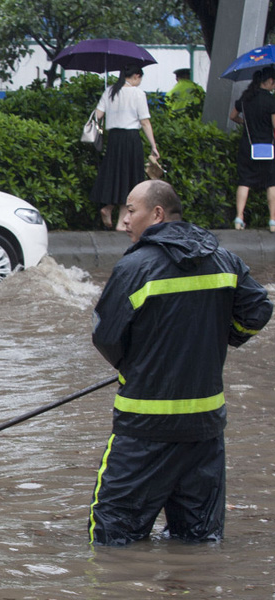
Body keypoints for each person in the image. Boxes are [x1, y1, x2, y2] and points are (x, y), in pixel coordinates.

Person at [88, 180, 272, 546]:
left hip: (143, 430)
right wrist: (226, 335)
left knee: (112, 541)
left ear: (157, 214)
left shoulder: (135, 267)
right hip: (204, 432)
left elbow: (106, 337)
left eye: (131, 210)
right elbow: (258, 309)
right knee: (199, 541)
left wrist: (138, 364)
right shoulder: (223, 258)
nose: (125, 220)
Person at [89, 64, 160, 232]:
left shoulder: (110, 91)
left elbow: (97, 115)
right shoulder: (138, 94)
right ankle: (121, 222)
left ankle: (108, 207)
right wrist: (153, 145)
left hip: (113, 139)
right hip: (131, 139)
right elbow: (144, 122)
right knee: (129, 179)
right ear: (136, 76)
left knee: (114, 175)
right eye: (140, 78)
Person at [229, 66, 275, 232]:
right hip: (268, 148)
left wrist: (245, 123)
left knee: (245, 181)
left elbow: (233, 116)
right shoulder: (271, 101)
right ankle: (272, 221)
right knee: (271, 183)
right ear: (269, 81)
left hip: (247, 146)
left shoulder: (246, 98)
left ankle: (239, 218)